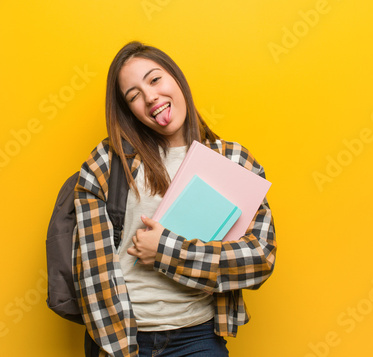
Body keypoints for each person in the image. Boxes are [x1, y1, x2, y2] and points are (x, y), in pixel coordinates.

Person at [73, 41, 276, 357]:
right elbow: (92, 272)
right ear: (129, 112)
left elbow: (259, 259)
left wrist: (164, 250)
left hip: (198, 338)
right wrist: (121, 350)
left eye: (154, 80)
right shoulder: (106, 163)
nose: (150, 97)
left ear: (176, 79)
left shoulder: (233, 160)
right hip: (126, 340)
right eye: (134, 96)